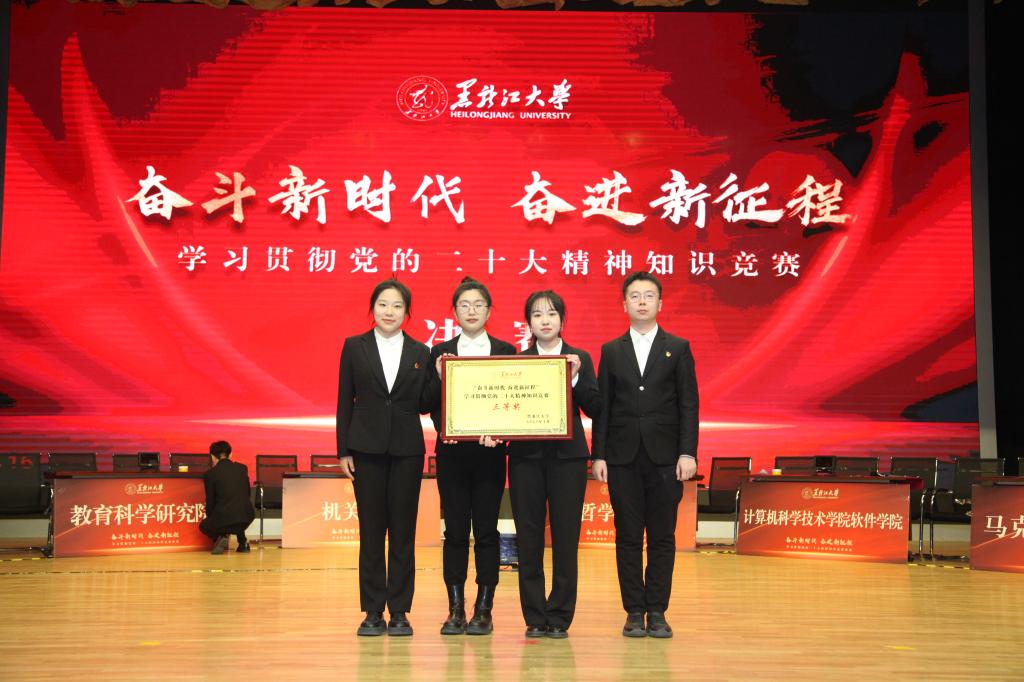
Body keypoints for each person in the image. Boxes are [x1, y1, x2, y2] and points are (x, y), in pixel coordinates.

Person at [592, 271, 699, 639]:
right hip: (622, 457)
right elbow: (604, 408)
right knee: (627, 537)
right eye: (634, 296)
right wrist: (599, 455)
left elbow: (688, 404)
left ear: (660, 303)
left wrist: (688, 452)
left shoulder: (678, 347)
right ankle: (634, 611)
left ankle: (657, 610)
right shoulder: (611, 350)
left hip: (666, 458)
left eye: (648, 295)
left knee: (662, 537)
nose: (641, 301)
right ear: (624, 304)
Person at [336, 278, 439, 637]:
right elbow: (344, 400)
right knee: (371, 532)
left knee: (403, 533)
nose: (389, 312)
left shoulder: (421, 352)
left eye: (397, 306)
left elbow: (424, 404)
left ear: (407, 313)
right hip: (365, 450)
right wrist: (343, 449)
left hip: (407, 451)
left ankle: (399, 611)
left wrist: (439, 378)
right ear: (373, 308)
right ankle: (372, 611)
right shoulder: (354, 346)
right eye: (383, 304)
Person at [507, 290, 602, 639]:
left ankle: (560, 616)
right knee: (528, 537)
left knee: (565, 538)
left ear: (562, 319)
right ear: (528, 323)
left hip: (567, 459)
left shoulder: (580, 358)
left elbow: (596, 407)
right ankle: (534, 616)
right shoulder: (518, 360)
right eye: (537, 314)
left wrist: (574, 377)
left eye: (551, 314)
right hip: (525, 459)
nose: (544, 320)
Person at [429, 277, 517, 636]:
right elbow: (426, 403)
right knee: (454, 532)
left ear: (489, 311)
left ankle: (484, 609)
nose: (472, 310)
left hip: (489, 456)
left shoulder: (506, 351)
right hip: (451, 455)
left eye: (478, 304)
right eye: (464, 305)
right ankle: (455, 609)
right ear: (454, 311)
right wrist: (439, 378)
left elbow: (514, 401)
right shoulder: (440, 352)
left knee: (486, 531)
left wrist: (502, 433)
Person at [199, 440, 255, 555]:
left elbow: (210, 502)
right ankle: (243, 543)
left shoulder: (210, 474)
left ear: (212, 457)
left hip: (225, 518)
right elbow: (247, 493)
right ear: (230, 454)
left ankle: (221, 536)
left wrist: (212, 520)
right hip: (247, 516)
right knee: (235, 514)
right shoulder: (242, 468)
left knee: (204, 526)